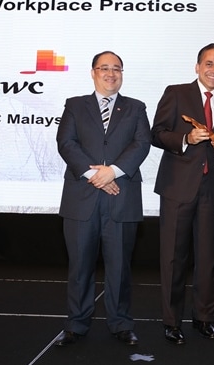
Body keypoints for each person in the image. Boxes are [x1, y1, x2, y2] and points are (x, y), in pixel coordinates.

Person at [54, 50, 151, 347]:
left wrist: (113, 172)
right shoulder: (75, 105)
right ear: (93, 72)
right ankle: (76, 324)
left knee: (120, 267)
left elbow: (142, 143)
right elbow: (66, 143)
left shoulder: (136, 107)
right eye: (104, 68)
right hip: (81, 197)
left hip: (122, 196)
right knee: (80, 266)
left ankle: (121, 323)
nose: (111, 74)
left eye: (117, 69)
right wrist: (95, 175)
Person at [151, 43, 214, 345]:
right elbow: (157, 133)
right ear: (198, 67)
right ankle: (172, 322)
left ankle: (204, 318)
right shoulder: (176, 93)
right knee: (173, 257)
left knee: (208, 257)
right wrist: (186, 138)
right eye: (209, 64)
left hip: (210, 188)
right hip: (177, 187)